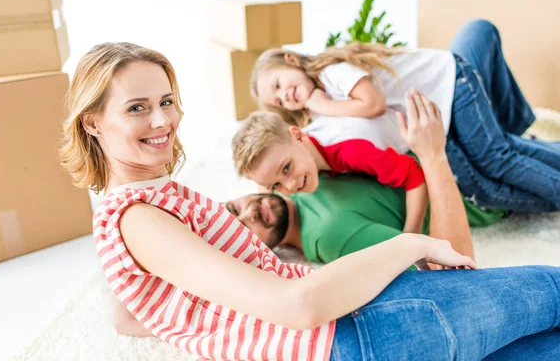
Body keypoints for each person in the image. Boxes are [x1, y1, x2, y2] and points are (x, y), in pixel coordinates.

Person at [58, 42, 560, 360]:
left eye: (166, 101)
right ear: (93, 123)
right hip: (351, 331)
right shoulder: (139, 218)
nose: (163, 121)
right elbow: (297, 306)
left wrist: (205, 326)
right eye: (137, 108)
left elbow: (127, 317)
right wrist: (413, 244)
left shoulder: (139, 203)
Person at [251, 19, 560, 212]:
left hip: (452, 82)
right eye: (277, 100)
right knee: (498, 156)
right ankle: (530, 139)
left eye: (278, 84)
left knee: (496, 158)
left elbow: (374, 105)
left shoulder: (332, 73)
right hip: (439, 105)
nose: (284, 96)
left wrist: (321, 104)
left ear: (291, 59)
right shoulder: (322, 108)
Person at [224, 172, 505, 265]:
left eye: (236, 209)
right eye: (245, 229)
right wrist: (432, 153)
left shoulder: (292, 175)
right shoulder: (329, 236)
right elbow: (441, 263)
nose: (251, 213)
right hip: (479, 189)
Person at [231, 108, 428, 234]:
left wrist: (411, 234)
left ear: (298, 136)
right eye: (276, 185)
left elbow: (415, 175)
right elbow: (264, 180)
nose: (290, 185)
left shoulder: (351, 152)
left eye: (286, 168)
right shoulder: (298, 148)